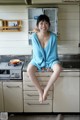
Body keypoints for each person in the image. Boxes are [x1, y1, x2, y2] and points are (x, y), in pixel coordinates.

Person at [27, 14, 62, 103]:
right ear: (38, 25)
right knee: (29, 70)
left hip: (51, 60)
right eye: (41, 23)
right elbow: (37, 52)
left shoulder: (53, 37)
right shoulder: (34, 36)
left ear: (49, 25)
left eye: (46, 23)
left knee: (58, 69)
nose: (43, 26)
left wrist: (48, 65)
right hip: (37, 59)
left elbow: (53, 52)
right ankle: (40, 91)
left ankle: (46, 90)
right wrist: (42, 64)